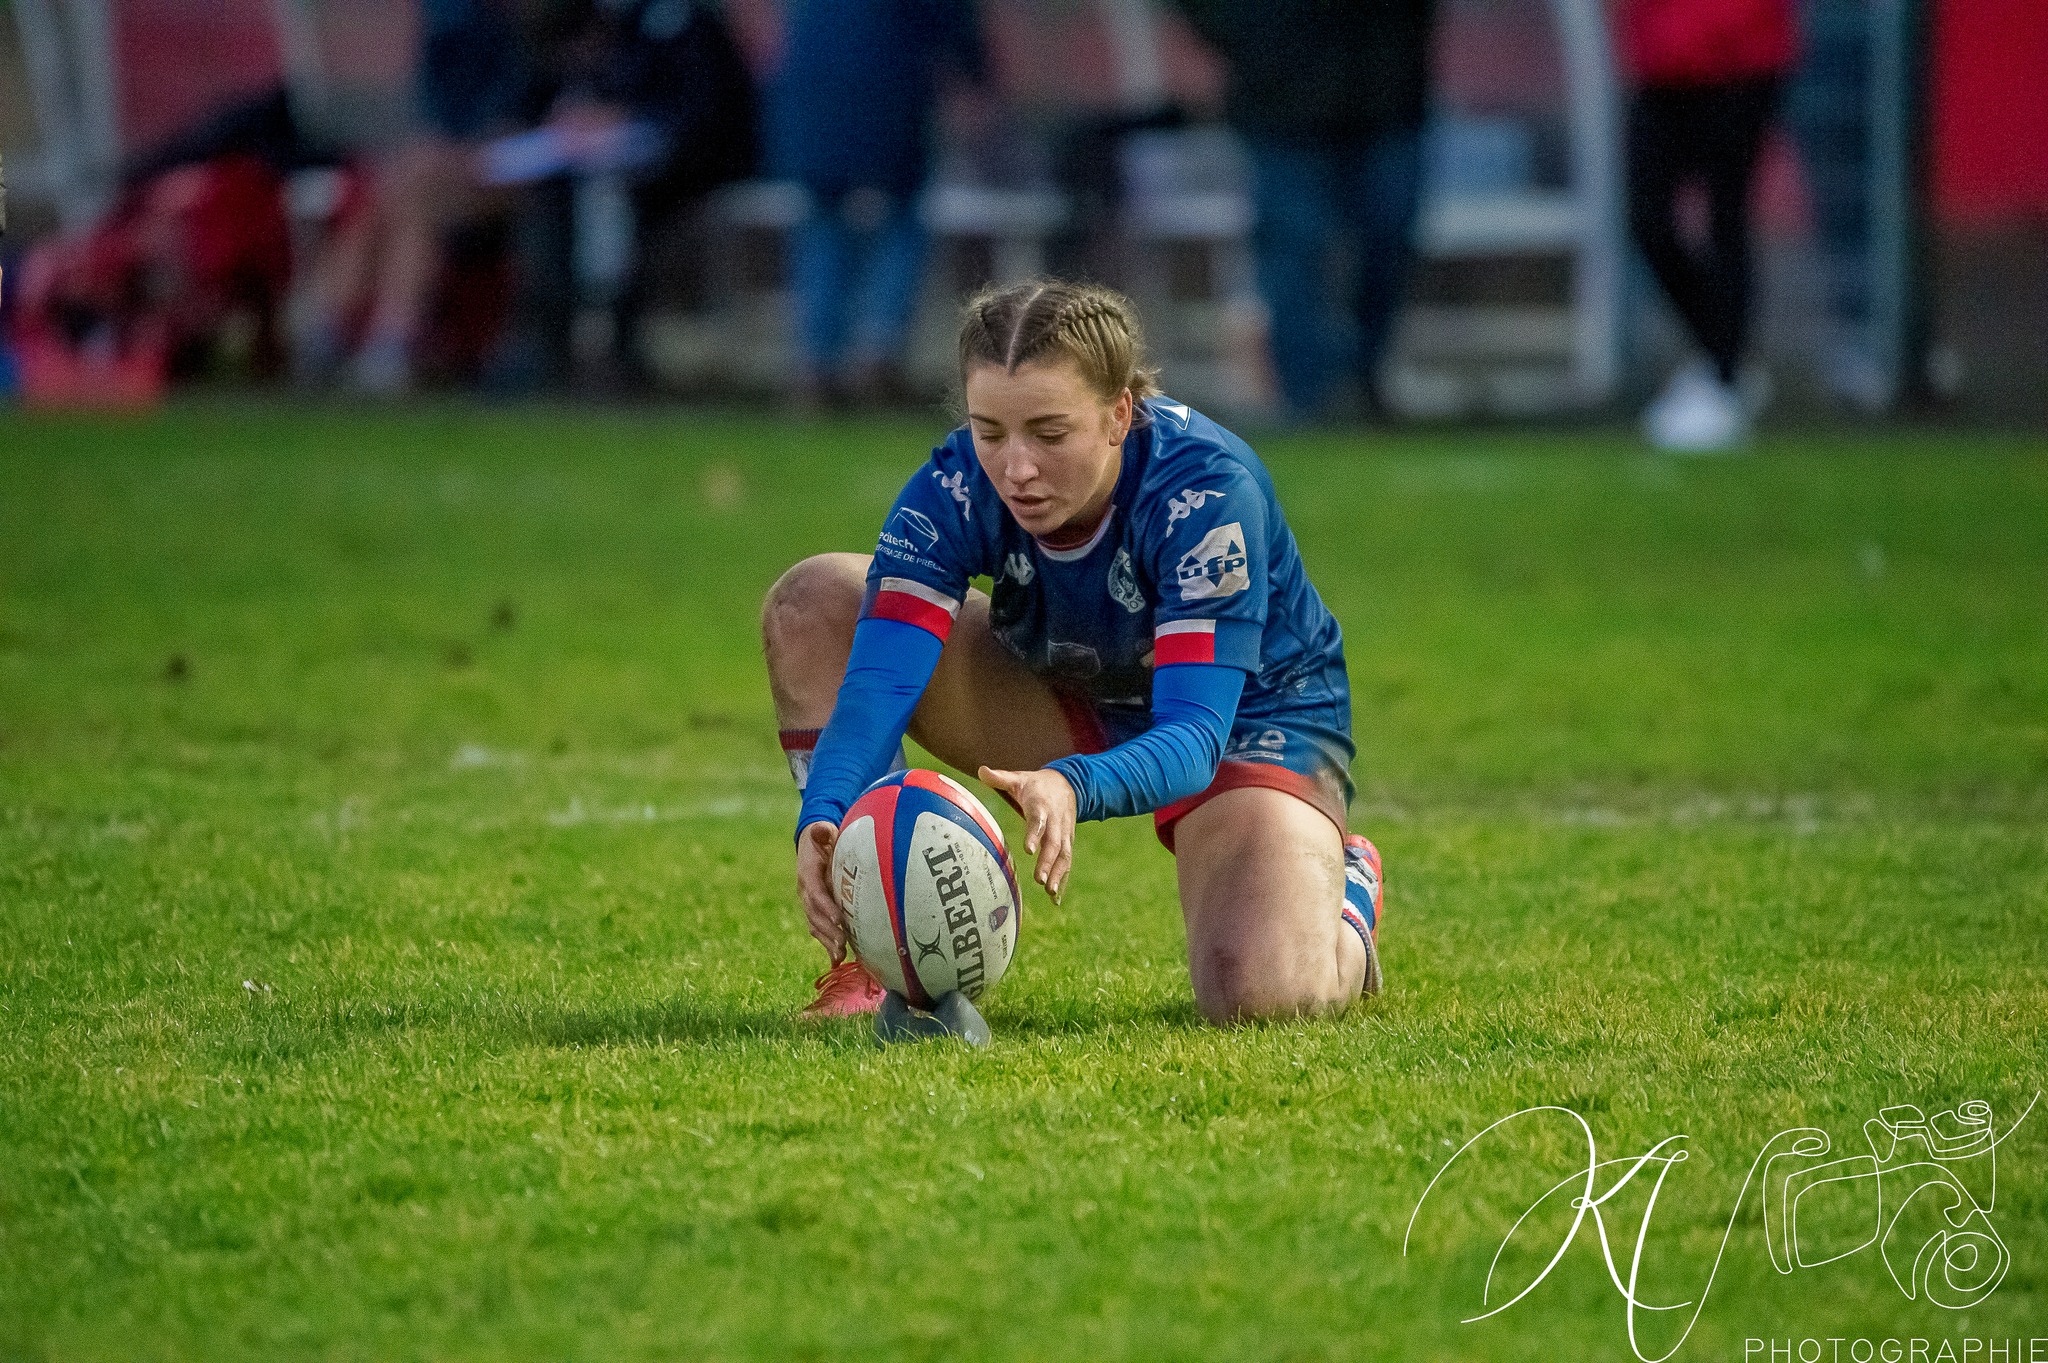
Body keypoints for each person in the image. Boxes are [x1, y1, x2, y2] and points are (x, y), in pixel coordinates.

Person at [761, 280, 1384, 1025]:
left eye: (1049, 435)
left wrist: (1070, 784)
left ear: (1119, 413)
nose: (1015, 467)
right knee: (816, 603)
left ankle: (1346, 889)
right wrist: (823, 812)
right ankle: (871, 963)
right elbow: (877, 685)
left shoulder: (1206, 495)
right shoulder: (958, 484)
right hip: (1065, 684)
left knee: (1264, 996)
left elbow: (1192, 737)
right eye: (990, 432)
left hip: (1243, 721)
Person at [1173, 0, 1439, 422]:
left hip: (1388, 95)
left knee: (1387, 240)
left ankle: (1363, 382)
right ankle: (1309, 401)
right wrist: (1251, 39)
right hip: (1282, 104)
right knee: (1293, 250)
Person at [765, 0, 986, 409]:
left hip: (811, 105)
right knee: (900, 226)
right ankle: (878, 355)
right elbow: (952, 24)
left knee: (824, 228)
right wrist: (977, 79)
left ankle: (816, 365)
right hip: (888, 94)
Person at [1621, 0, 1799, 451]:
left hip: (1739, 52)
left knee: (1726, 220)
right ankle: (1726, 358)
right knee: (1647, 220)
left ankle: (1724, 374)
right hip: (1661, 56)